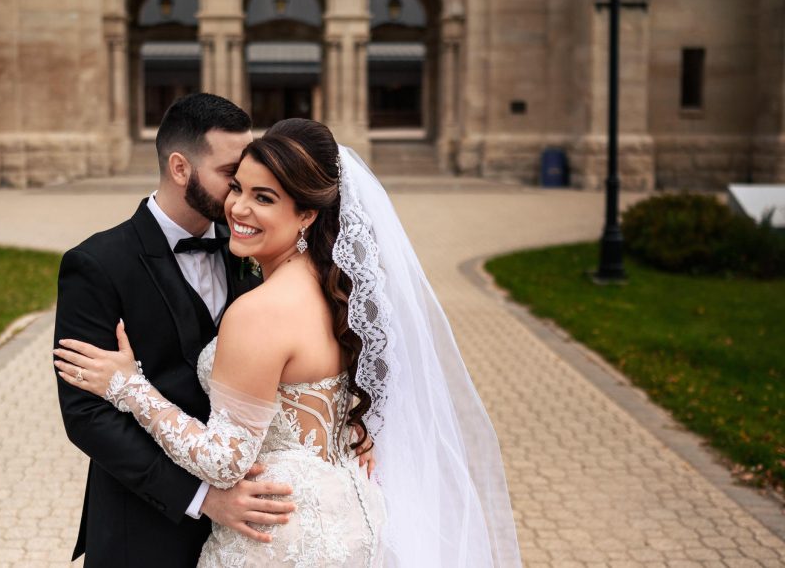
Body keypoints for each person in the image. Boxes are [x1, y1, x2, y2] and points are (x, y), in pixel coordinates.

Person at [56, 118, 523, 566]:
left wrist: (127, 386)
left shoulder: (260, 305)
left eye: (264, 197)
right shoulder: (339, 288)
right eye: (236, 185)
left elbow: (223, 461)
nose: (237, 208)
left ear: (306, 214)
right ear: (180, 168)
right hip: (343, 517)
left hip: (273, 534)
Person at [53, 93, 296, 568]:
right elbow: (86, 415)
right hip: (142, 522)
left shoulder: (249, 249)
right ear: (181, 168)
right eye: (231, 175)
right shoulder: (96, 264)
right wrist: (202, 495)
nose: (243, 191)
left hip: (249, 525)